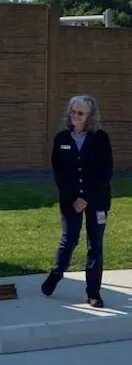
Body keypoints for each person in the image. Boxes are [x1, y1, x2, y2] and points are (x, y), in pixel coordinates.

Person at [41, 94, 113, 308]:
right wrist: (74, 197)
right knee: (70, 238)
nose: (75, 116)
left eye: (80, 113)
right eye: (73, 111)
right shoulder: (62, 138)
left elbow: (105, 172)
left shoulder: (100, 138)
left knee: (95, 244)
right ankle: (56, 274)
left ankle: (93, 292)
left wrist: (86, 198)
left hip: (97, 199)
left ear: (90, 116)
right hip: (70, 200)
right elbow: (59, 173)